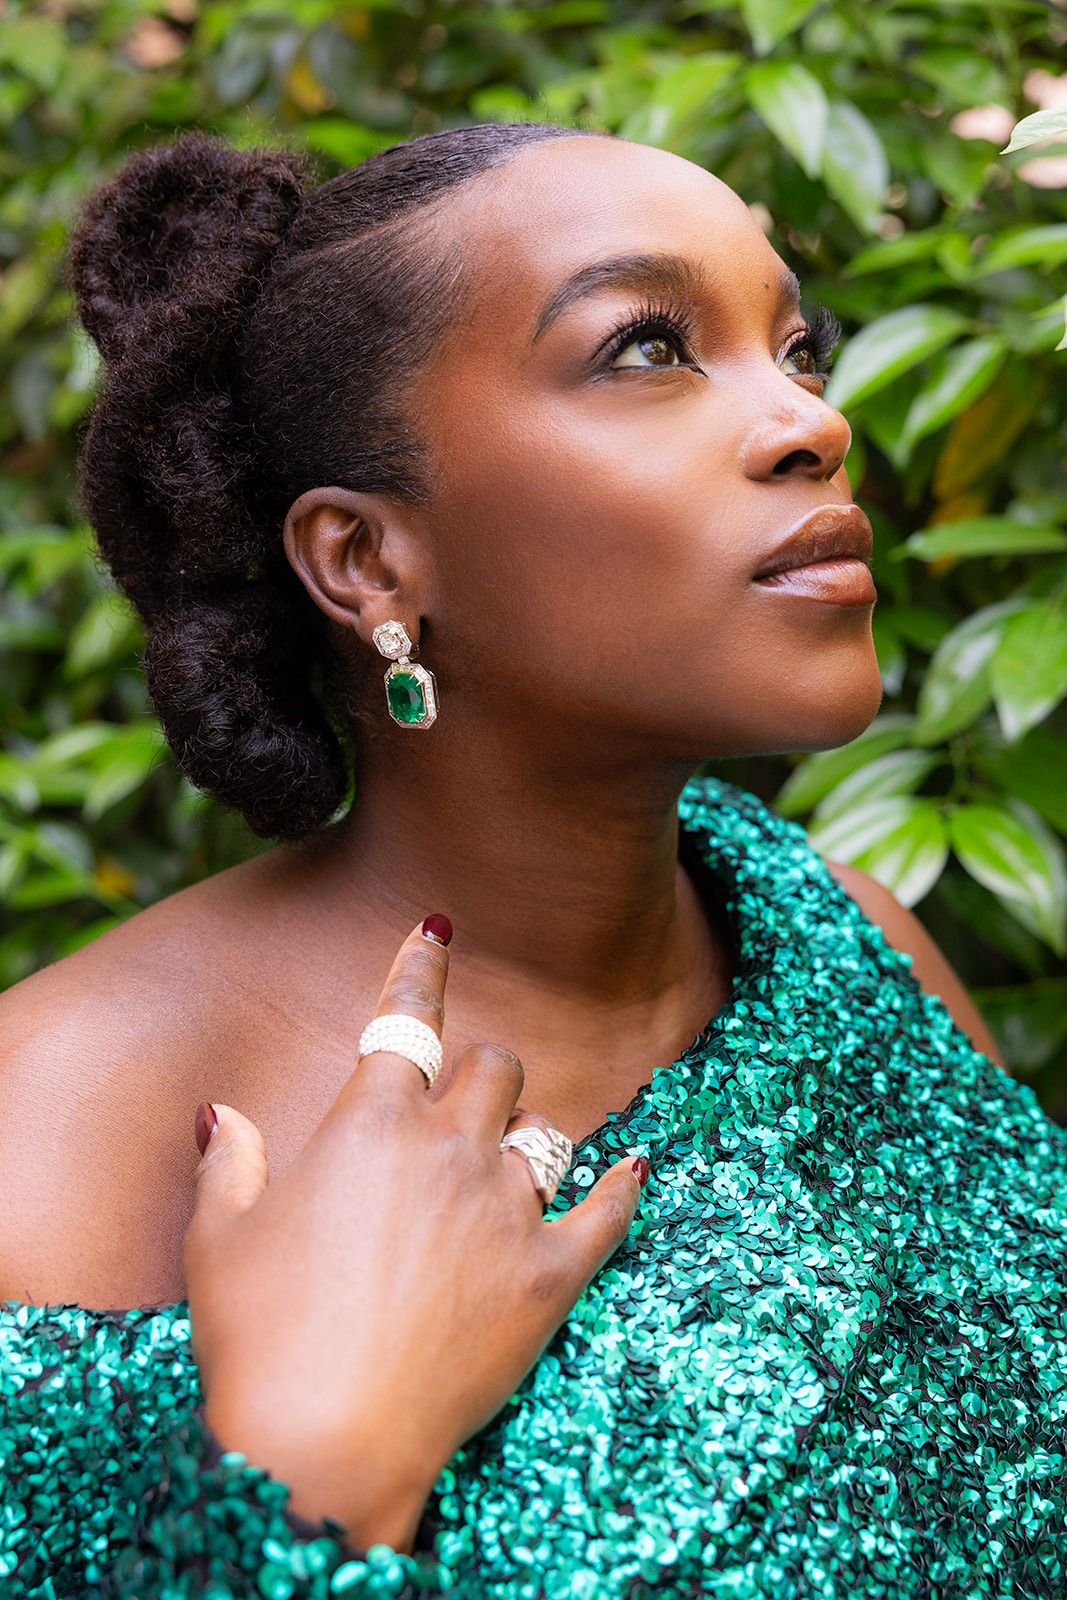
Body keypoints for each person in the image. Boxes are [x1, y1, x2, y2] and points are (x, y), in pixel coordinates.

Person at [0, 121, 1063, 1599]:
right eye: (645, 347)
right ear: (367, 563)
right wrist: (315, 1457)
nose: (812, 422)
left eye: (797, 345)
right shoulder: (57, 1130)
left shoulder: (850, 946)